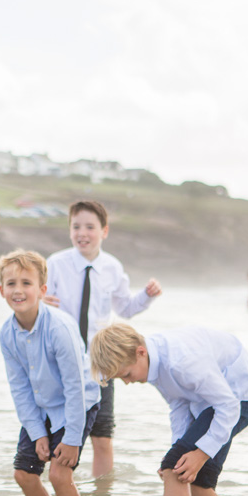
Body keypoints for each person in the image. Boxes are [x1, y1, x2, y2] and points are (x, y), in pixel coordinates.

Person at [90, 321, 248, 496]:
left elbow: (228, 406)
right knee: (198, 482)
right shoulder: (152, 363)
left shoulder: (181, 362)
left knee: (176, 469)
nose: (127, 382)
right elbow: (178, 403)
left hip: (241, 396)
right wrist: (178, 447)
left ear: (140, 352)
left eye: (126, 375)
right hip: (211, 401)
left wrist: (199, 455)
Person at [44, 199, 161, 478]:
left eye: (89, 227)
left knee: (103, 437)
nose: (82, 233)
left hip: (101, 363)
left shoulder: (112, 267)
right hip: (63, 358)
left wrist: (146, 296)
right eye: (76, 227)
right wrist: (40, 303)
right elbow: (42, 307)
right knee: (59, 435)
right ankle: (58, 494)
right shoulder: (56, 264)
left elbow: (125, 309)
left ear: (104, 231)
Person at [0, 249, 101, 496]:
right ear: (1, 290)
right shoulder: (6, 334)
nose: (18, 291)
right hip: (42, 408)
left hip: (75, 405)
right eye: (11, 284)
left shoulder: (59, 328)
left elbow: (75, 387)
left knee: (59, 474)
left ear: (42, 289)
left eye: (26, 283)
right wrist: (37, 433)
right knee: (24, 475)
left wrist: (72, 438)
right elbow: (19, 388)